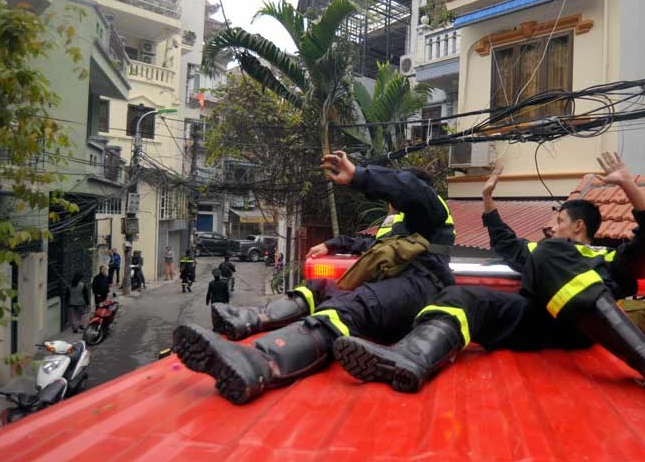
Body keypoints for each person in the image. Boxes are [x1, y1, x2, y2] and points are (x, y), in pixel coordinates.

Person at [333, 151, 645, 395]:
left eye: (557, 220)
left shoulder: (608, 259)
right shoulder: (537, 253)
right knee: (461, 296)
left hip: (582, 328)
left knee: (548, 250)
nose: (550, 227)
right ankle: (410, 358)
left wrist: (628, 185)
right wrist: (488, 198)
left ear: (578, 226)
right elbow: (505, 241)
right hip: (538, 323)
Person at [174, 150, 455, 405]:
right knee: (320, 285)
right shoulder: (403, 224)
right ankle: (249, 319)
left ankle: (262, 362)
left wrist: (359, 175)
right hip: (392, 289)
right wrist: (331, 245)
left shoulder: (433, 208)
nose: (391, 203)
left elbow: (412, 190)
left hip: (418, 290)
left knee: (350, 305)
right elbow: (369, 245)